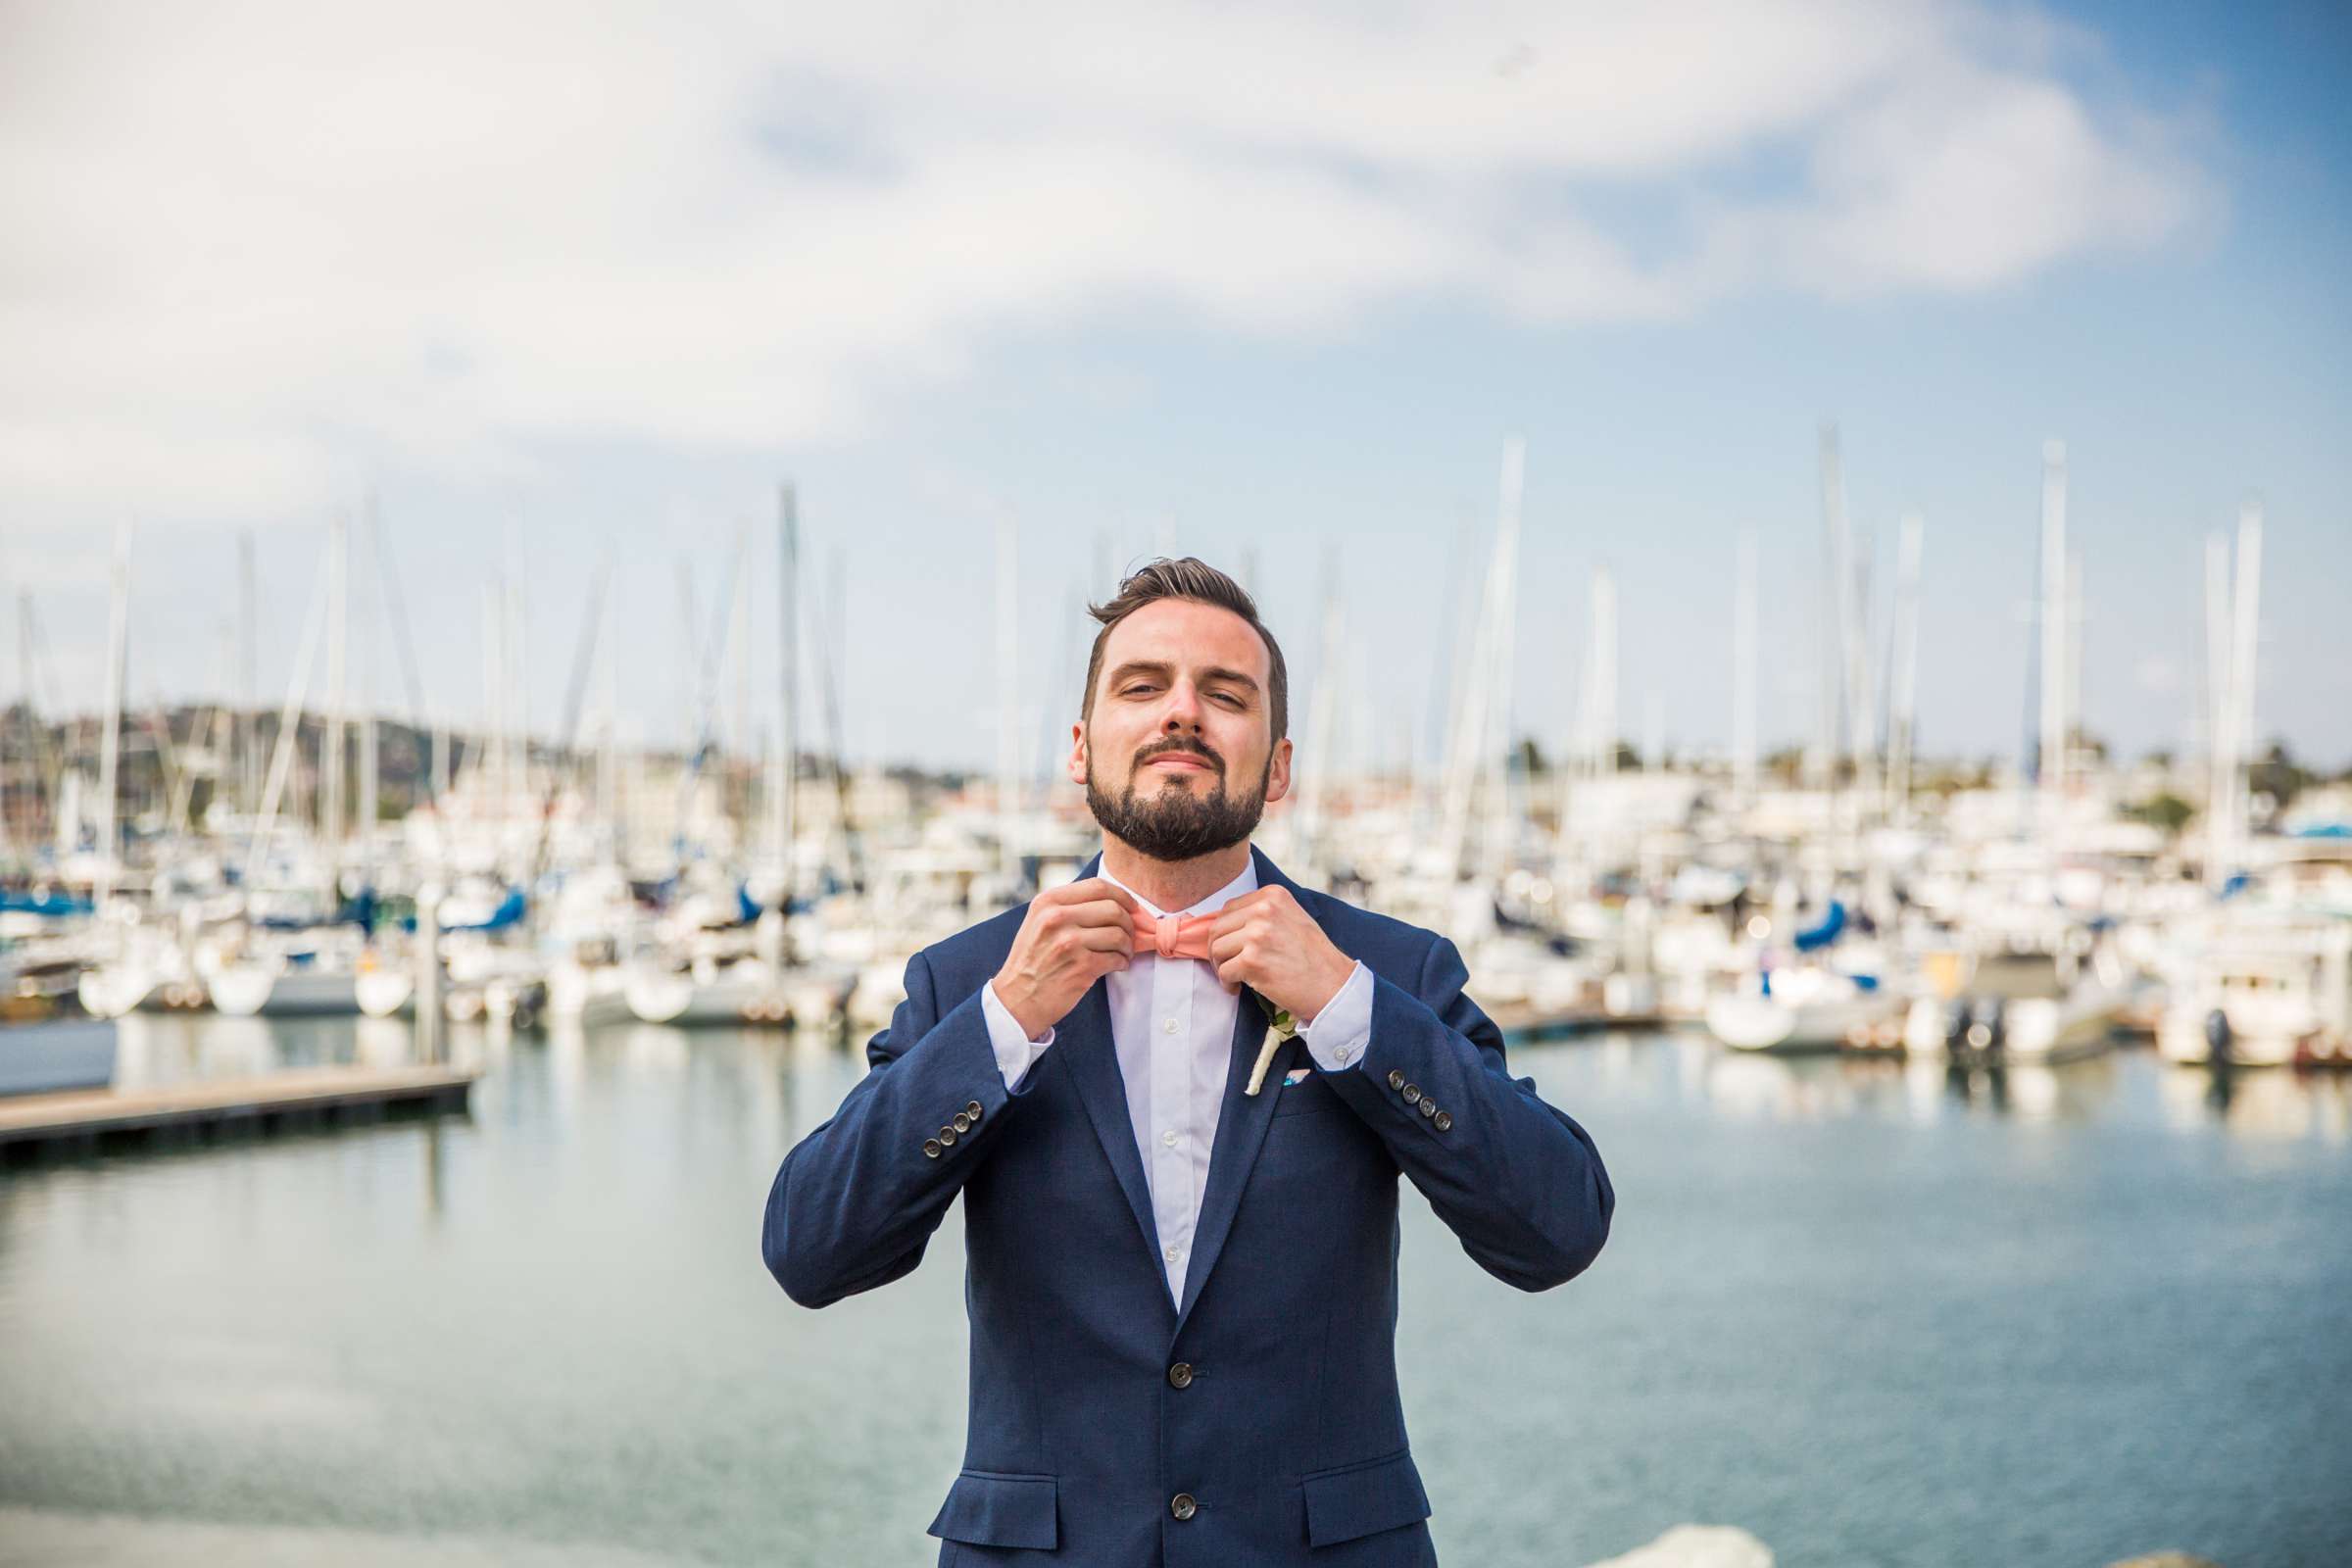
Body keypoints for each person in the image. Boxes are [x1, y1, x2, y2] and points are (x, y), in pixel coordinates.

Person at [761, 557, 1613, 1566]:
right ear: (1081, 751)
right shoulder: (967, 982)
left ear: (1279, 764)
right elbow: (810, 1251)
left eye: (1224, 693)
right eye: (1142, 686)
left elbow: (1557, 1228)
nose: (1182, 713)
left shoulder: (1389, 972)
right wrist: (1005, 1021)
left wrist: (1346, 1009)